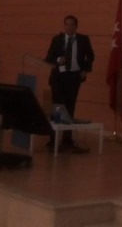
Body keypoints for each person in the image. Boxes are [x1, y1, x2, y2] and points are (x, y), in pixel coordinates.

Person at [44, 14, 94, 152]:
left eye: (72, 25)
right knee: (57, 107)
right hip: (58, 77)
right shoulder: (57, 39)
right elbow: (48, 57)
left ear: (76, 26)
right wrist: (58, 60)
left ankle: (67, 139)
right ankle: (53, 139)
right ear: (64, 26)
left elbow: (90, 55)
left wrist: (85, 70)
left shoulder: (83, 39)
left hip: (74, 77)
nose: (69, 27)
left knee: (70, 107)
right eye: (67, 25)